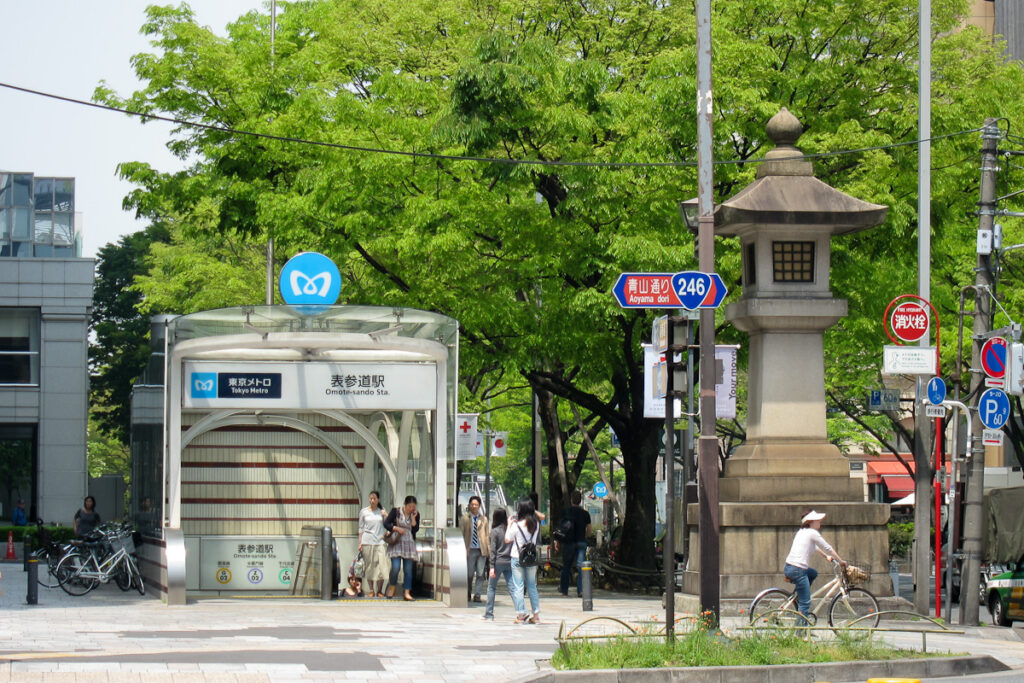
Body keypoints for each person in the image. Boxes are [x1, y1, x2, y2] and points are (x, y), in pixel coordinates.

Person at [784, 510, 846, 624]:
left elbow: (816, 548)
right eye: (817, 520)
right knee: (805, 603)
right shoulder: (812, 533)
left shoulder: (802, 532)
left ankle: (799, 594)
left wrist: (826, 557)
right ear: (810, 522)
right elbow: (828, 547)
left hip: (789, 567)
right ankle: (801, 634)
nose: (820, 522)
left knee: (813, 573)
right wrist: (840, 561)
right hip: (798, 570)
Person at [505, 498, 541, 624]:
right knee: (532, 586)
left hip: (517, 557)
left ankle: (521, 614)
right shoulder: (536, 525)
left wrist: (509, 524)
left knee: (518, 587)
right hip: (531, 558)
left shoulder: (516, 525)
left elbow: (507, 539)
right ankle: (536, 614)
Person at [556, 490, 592, 598]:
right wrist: (585, 537)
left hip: (568, 543)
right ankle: (580, 591)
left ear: (571, 500)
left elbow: (560, 529)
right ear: (580, 501)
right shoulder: (585, 513)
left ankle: (564, 590)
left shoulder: (566, 512)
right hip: (581, 542)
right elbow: (589, 529)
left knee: (566, 567)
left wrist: (557, 541)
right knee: (581, 567)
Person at [384, 495, 420, 601]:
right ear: (405, 504)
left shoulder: (415, 514)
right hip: (396, 541)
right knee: (395, 567)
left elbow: (415, 529)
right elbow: (386, 523)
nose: (411, 509)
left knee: (408, 569)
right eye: (409, 506)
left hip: (408, 543)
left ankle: (407, 592)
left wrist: (413, 518)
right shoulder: (396, 511)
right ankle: (392, 586)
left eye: (413, 506)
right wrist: (396, 528)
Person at [482, 508, 514, 620]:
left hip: (498, 562)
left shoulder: (495, 531)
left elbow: (493, 550)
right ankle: (520, 611)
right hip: (509, 562)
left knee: (491, 588)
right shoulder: (509, 530)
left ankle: (489, 613)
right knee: (512, 588)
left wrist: (491, 567)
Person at [357, 490, 388, 597]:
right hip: (367, 541)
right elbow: (361, 528)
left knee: (381, 566)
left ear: (378, 499)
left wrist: (386, 515)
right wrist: (360, 543)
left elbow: (388, 525)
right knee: (370, 566)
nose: (372, 500)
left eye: (374, 498)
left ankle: (379, 590)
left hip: (380, 541)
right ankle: (371, 590)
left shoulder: (382, 511)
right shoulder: (364, 512)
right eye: (371, 498)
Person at [460, 495, 490, 603]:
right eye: (472, 504)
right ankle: (467, 592)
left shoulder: (484, 519)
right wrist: (464, 548)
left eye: (476, 505)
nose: (474, 506)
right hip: (470, 549)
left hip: (481, 549)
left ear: (479, 506)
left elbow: (486, 535)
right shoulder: (465, 518)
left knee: (481, 573)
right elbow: (461, 534)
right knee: (469, 573)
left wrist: (488, 550)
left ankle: (477, 594)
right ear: (469, 505)